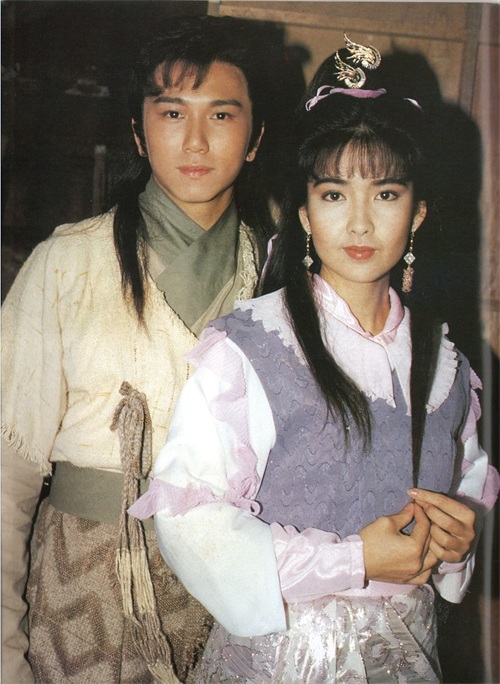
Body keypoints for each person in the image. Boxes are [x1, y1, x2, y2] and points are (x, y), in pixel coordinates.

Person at [130, 35, 500, 682]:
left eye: (385, 194)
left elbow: (468, 482)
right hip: (285, 657)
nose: (359, 223)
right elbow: (191, 520)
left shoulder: (446, 364)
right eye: (333, 194)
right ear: (303, 212)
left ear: (418, 213)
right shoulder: (252, 348)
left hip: (409, 654)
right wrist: (354, 560)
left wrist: (457, 538)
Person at [1, 15, 278, 684]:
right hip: (77, 597)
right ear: (137, 131)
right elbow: (6, 479)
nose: (194, 140)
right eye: (172, 113)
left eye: (221, 115)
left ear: (255, 138)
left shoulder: (280, 280)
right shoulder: (68, 262)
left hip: (226, 600)